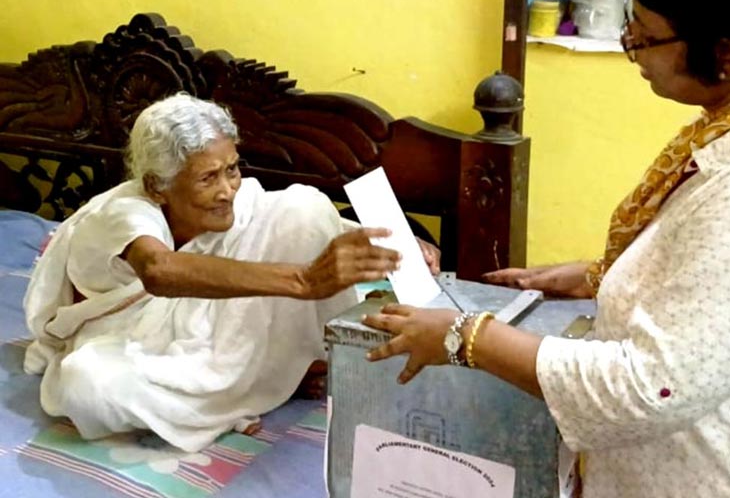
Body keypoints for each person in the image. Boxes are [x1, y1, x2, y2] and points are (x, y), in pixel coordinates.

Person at [363, 0, 730, 496]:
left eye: (647, 35)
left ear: (728, 56)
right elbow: (717, 286)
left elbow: (646, 389)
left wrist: (464, 336)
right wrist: (603, 276)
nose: (631, 41)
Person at [23, 92, 439, 452]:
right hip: (133, 338)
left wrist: (394, 244)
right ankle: (247, 392)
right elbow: (159, 270)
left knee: (304, 207)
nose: (227, 190)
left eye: (233, 169)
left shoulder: (231, 201)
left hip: (213, 329)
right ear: (156, 186)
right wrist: (304, 280)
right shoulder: (121, 212)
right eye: (208, 178)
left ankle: (275, 371)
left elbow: (284, 217)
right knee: (86, 383)